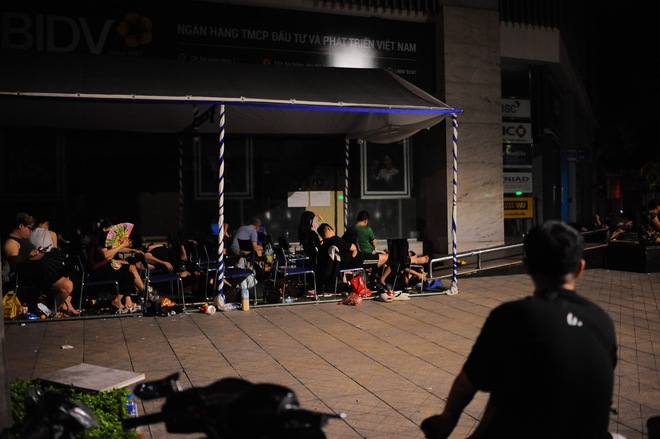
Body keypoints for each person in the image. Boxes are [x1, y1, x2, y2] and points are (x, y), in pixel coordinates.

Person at [421, 220, 617, 439]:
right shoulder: (603, 322)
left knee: (509, 377)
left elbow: (467, 384)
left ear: (526, 266)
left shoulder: (512, 316)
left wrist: (446, 422)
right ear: (580, 267)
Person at [2, 212, 79, 316]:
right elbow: (12, 259)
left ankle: (56, 308)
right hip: (31, 275)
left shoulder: (22, 240)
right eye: (29, 228)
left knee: (69, 273)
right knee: (66, 285)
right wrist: (27, 255)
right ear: (21, 226)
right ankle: (54, 309)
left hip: (39, 271)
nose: (31, 231)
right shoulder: (11, 242)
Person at [87, 219, 145, 312]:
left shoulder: (105, 239)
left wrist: (132, 250)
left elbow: (115, 249)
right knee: (128, 273)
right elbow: (106, 255)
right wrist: (122, 245)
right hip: (99, 269)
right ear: (104, 229)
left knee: (129, 273)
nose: (113, 231)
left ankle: (126, 300)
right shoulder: (99, 239)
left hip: (106, 266)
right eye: (111, 229)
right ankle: (143, 293)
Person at [344, 211, 390, 284]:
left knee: (377, 258)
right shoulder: (367, 229)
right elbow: (374, 244)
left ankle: (372, 279)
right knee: (389, 257)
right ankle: (380, 280)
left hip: (354, 259)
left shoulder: (349, 230)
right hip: (365, 257)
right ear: (365, 221)